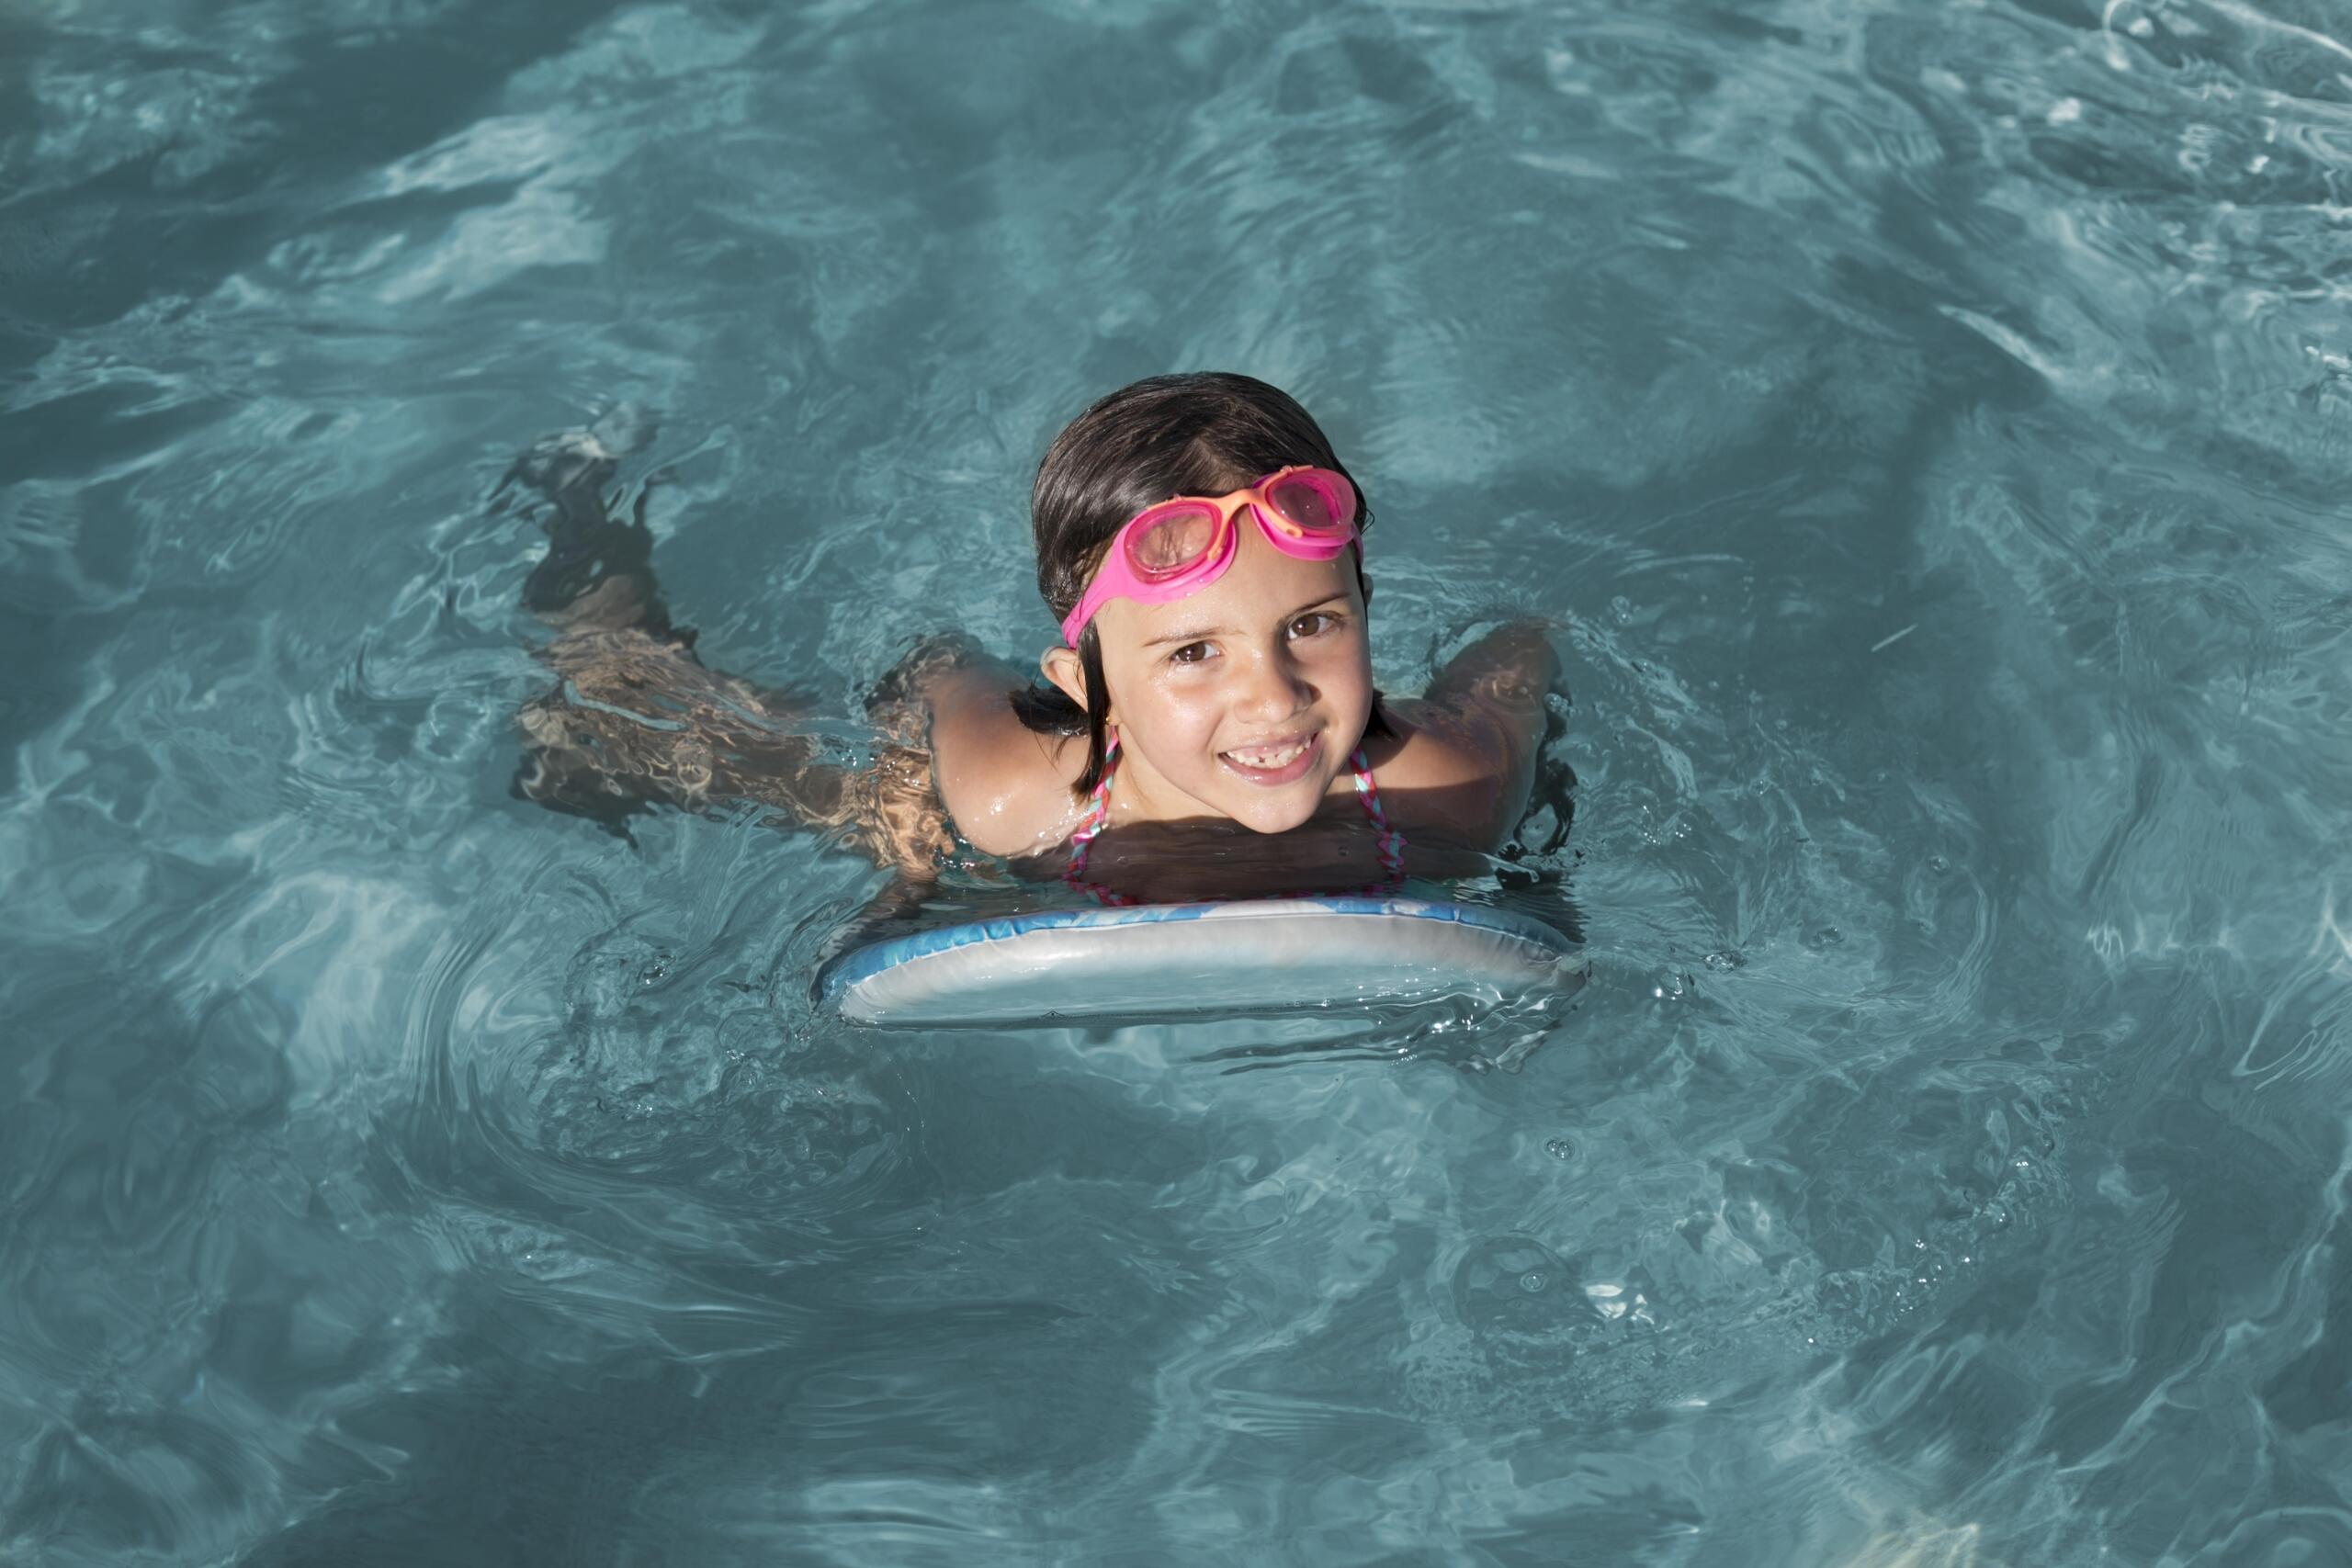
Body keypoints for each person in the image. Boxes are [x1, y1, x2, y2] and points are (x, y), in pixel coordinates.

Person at [504, 373, 1565, 906]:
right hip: (968, 724)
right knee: (642, 719)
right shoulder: (1017, 799)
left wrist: (1538, 839)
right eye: (1195, 650)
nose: (1276, 695)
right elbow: (947, 684)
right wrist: (915, 893)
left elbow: (1519, 656)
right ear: (1086, 681)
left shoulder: (1449, 787)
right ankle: (580, 527)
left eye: (1314, 625)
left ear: (1366, 614)